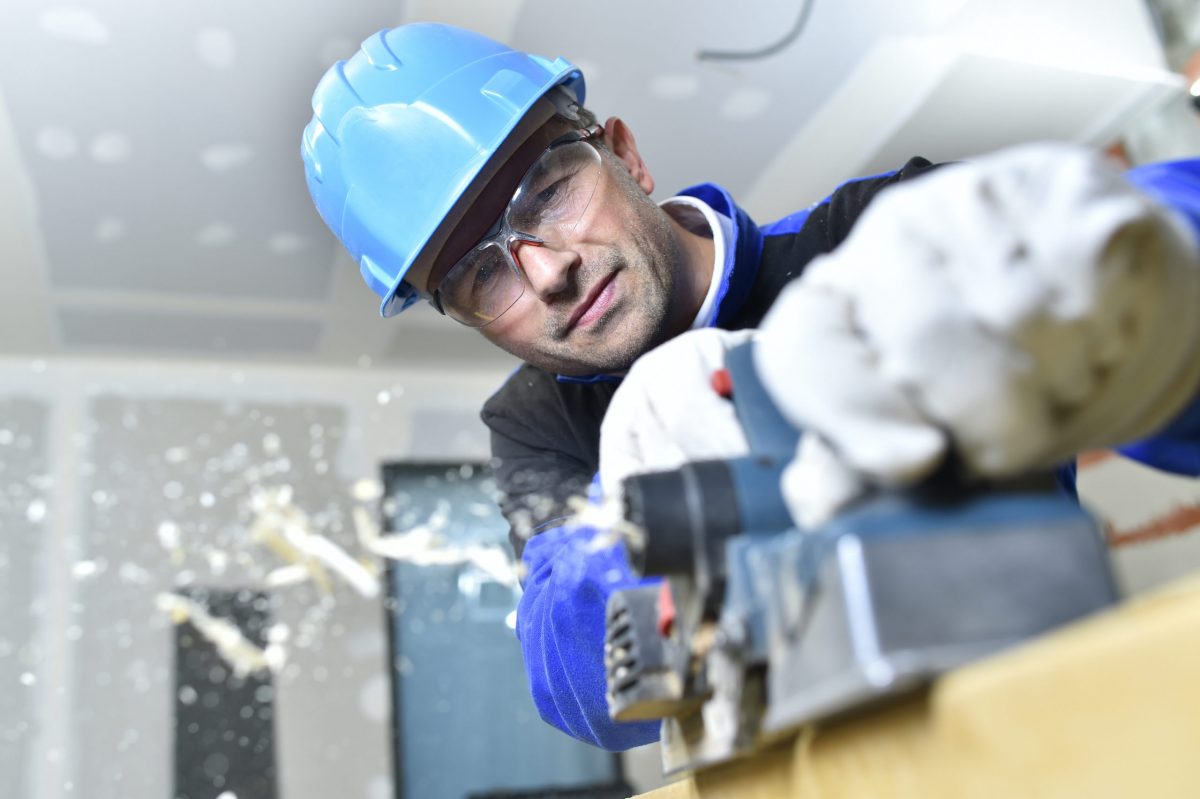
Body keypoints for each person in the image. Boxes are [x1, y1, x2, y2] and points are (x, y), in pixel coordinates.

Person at [302, 23, 1200, 751]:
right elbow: (581, 693)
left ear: (624, 154)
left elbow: (1146, 251)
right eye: (480, 276)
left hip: (1052, 716)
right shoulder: (541, 424)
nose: (545, 275)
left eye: (545, 194)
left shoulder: (876, 235)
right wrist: (661, 521)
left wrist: (1136, 279)